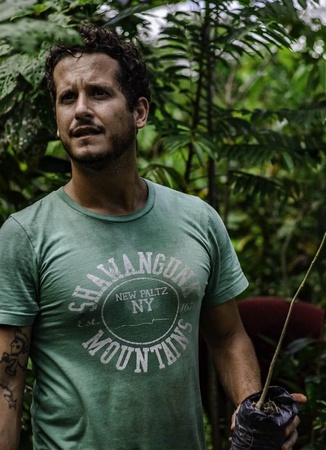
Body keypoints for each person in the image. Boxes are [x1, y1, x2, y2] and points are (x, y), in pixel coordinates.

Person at [0, 24, 305, 449]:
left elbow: (228, 337)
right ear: (57, 119)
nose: (81, 110)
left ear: (139, 112)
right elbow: (5, 385)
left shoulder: (197, 219)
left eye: (100, 94)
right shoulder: (24, 236)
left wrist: (252, 408)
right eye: (67, 98)